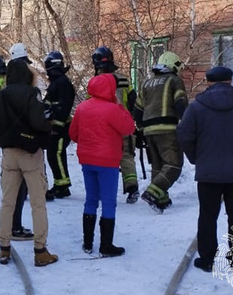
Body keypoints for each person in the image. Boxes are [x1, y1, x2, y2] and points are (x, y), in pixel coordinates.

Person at [176, 66, 233, 272]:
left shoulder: (197, 107)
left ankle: (207, 259)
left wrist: (196, 158)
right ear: (230, 80)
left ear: (208, 82)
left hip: (209, 172)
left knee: (207, 215)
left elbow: (184, 135)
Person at [0, 58, 58, 267]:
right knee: (38, 203)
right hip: (30, 154)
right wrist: (45, 132)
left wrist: (4, 141)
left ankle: (4, 248)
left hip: (8, 154)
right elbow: (39, 122)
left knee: (7, 202)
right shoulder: (32, 94)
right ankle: (40, 250)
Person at [69, 73, 136, 257]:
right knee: (108, 202)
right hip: (108, 162)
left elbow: (73, 134)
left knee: (91, 199)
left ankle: (88, 242)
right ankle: (106, 245)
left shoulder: (82, 108)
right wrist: (122, 106)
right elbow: (129, 128)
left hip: (87, 160)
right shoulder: (113, 109)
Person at [0, 54, 32, 240]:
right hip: (21, 138)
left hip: (5, 132)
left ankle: (9, 229)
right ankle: (15, 227)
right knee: (20, 186)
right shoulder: (25, 87)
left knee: (12, 186)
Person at [133, 51, 188, 213]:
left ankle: (161, 199)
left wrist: (141, 128)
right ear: (175, 65)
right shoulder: (175, 80)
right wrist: (188, 123)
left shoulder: (146, 84)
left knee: (158, 165)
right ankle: (152, 192)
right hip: (167, 129)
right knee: (173, 164)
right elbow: (181, 104)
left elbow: (137, 111)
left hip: (149, 130)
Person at [92, 46, 140, 204]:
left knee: (103, 157)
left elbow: (90, 105)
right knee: (126, 156)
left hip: (103, 127)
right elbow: (134, 100)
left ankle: (101, 189)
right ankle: (132, 187)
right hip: (123, 123)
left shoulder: (94, 83)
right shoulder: (124, 79)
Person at [43, 51, 76, 201]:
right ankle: (60, 184)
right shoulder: (58, 82)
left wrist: (56, 127)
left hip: (61, 128)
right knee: (53, 155)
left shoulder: (62, 83)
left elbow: (63, 108)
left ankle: (62, 186)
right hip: (56, 127)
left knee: (56, 155)